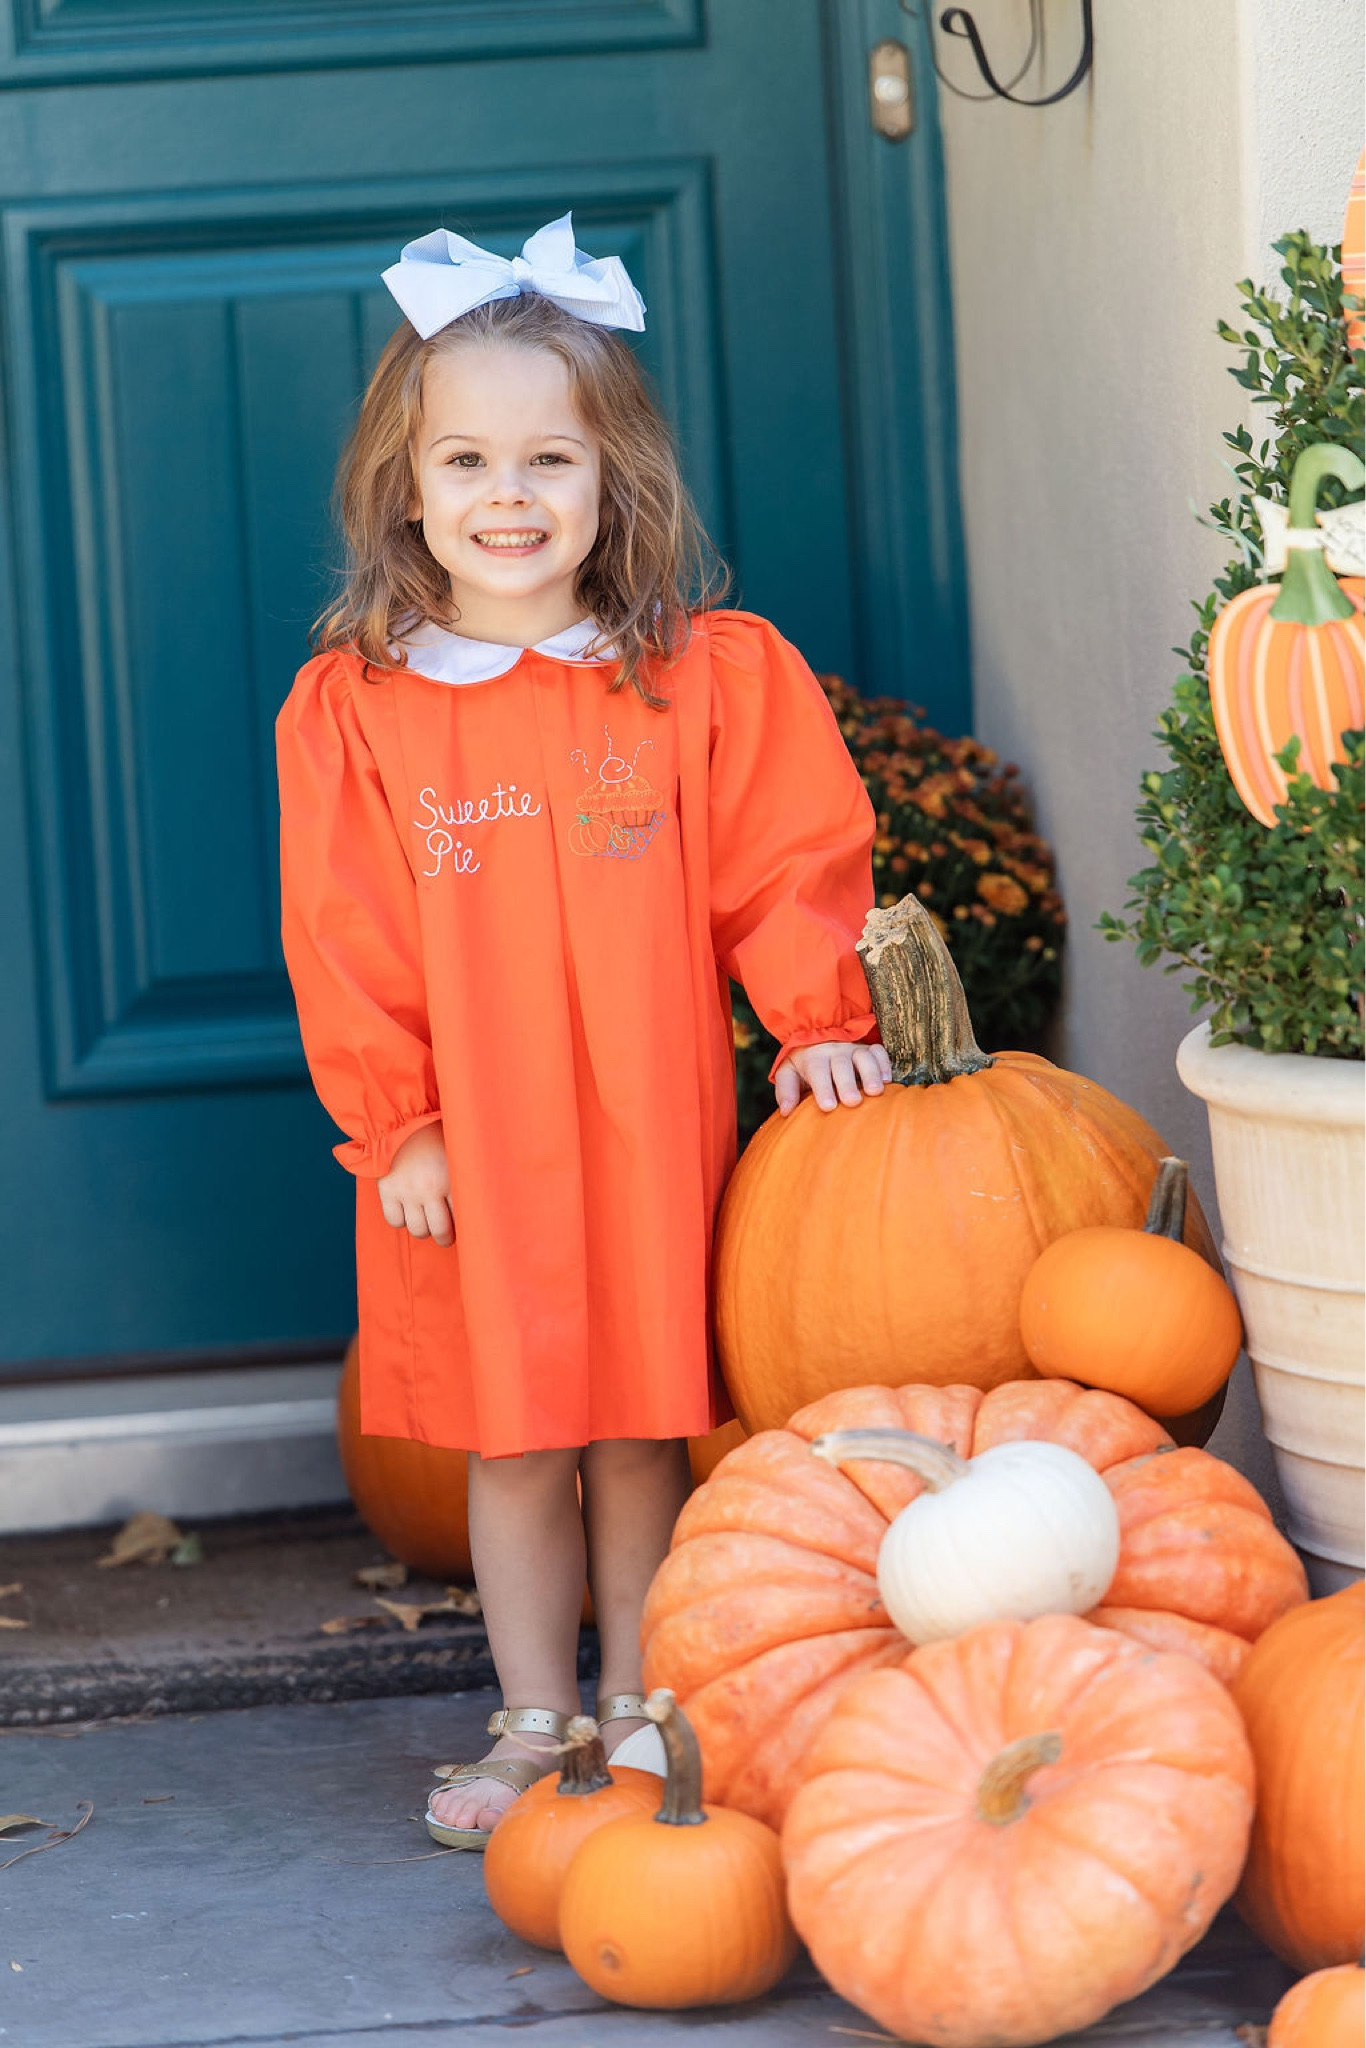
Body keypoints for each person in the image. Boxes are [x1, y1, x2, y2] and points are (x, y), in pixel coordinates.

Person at [275, 215, 890, 1850]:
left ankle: (644, 1706)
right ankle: (535, 1716)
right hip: (474, 1145)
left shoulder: (692, 682)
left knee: (639, 1426)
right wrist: (398, 1121)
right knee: (513, 1433)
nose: (508, 495)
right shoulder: (362, 707)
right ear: (405, 490)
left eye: (549, 458)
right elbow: (345, 936)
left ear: (612, 480)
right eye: (466, 459)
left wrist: (814, 1018)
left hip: (644, 1123)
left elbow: (782, 863)